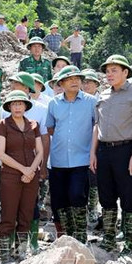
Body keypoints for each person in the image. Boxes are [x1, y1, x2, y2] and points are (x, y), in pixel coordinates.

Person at [90, 55, 132, 256]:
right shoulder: (103, 95)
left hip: (126, 150)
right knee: (106, 197)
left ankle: (129, 241)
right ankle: (108, 239)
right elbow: (96, 126)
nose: (109, 74)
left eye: (114, 70)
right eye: (107, 71)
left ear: (126, 72)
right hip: (104, 151)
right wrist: (93, 153)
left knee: (128, 196)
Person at [47, 66, 97, 244]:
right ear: (61, 83)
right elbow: (51, 128)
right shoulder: (53, 103)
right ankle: (67, 237)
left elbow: (96, 127)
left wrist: (92, 152)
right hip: (58, 159)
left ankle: (81, 236)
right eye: (69, 79)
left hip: (82, 158)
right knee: (60, 199)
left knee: (78, 195)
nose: (75, 81)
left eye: (77, 78)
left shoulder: (91, 101)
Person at [2, 72, 49, 254]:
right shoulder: (3, 115)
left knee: (29, 208)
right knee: (9, 209)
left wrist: (40, 166)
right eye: (13, 83)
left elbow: (43, 141)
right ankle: (8, 249)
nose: (14, 87)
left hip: (33, 168)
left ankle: (29, 244)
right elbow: (1, 146)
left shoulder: (39, 112)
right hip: (10, 170)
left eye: (18, 84)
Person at [0, 90, 44, 263]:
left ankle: (20, 253)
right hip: (10, 176)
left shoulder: (33, 124)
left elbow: (40, 151)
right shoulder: (2, 124)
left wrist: (31, 170)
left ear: (26, 106)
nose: (17, 107)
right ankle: (4, 255)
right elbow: (0, 153)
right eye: (14, 104)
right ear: (9, 107)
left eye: (20, 103)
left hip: (31, 175)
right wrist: (23, 169)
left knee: (26, 215)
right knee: (8, 215)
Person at [81, 69, 101, 229]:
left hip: (99, 146)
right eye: (84, 82)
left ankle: (93, 209)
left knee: (94, 180)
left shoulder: (101, 101)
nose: (86, 85)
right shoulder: (79, 101)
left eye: (90, 82)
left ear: (96, 85)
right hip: (81, 146)